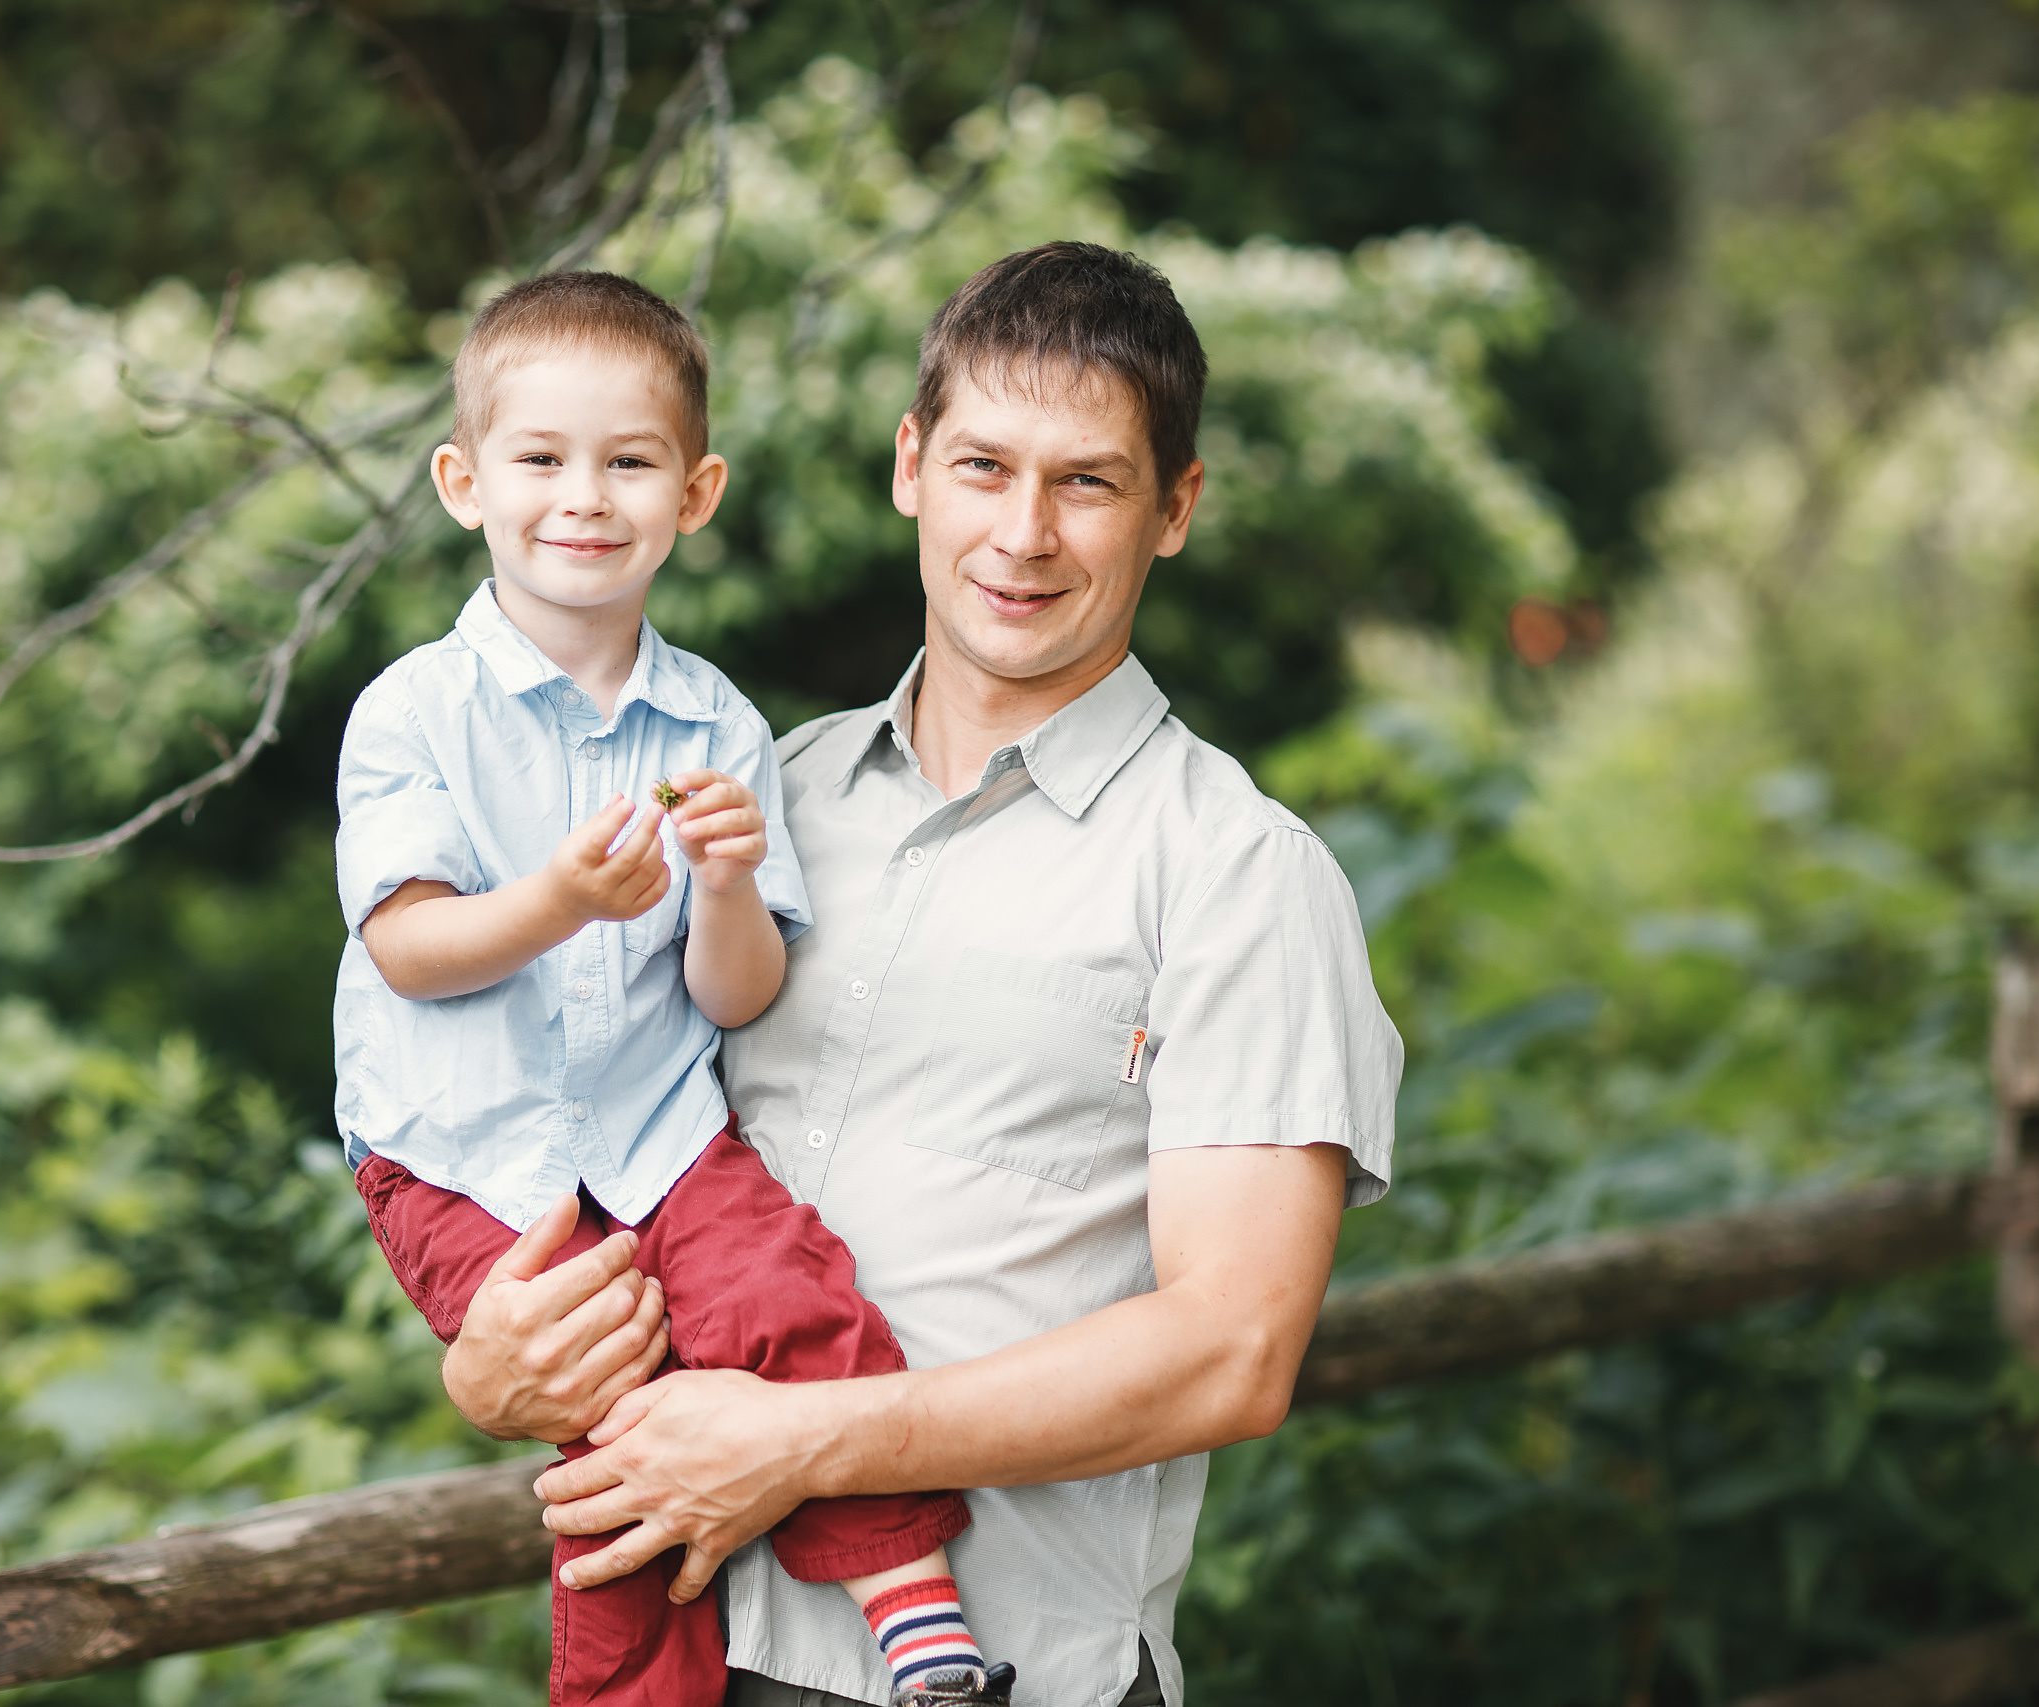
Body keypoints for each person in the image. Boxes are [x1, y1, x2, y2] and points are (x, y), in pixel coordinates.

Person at [434, 243, 1405, 1707]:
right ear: (909, 468)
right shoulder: (754, 799)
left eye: (1086, 482)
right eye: (983, 467)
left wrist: (807, 1442)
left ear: (1175, 511)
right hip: (685, 1652)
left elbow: (1231, 1352)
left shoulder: (1239, 876)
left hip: (996, 1676)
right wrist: (492, 1361)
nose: (1021, 534)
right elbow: (578, 1135)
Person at [331, 271, 1017, 1707]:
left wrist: (719, 884)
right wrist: (562, 901)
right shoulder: (412, 713)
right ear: (465, 482)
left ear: (693, 493)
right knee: (624, 1446)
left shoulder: (717, 724)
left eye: (630, 461)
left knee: (796, 1296)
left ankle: (913, 1615)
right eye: (541, 459)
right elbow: (408, 945)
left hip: (655, 1130)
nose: (584, 495)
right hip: (464, 1156)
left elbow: (737, 997)